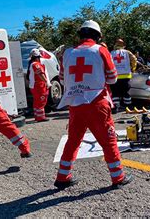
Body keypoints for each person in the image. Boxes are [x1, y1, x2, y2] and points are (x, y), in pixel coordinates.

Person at [54, 20, 133, 189]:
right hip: (97, 102)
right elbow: (113, 78)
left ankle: (62, 177)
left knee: (73, 141)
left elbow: (62, 79)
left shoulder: (67, 53)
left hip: (75, 104)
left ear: (81, 34)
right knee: (108, 141)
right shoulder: (101, 50)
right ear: (98, 36)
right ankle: (118, 177)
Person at [110, 38, 137, 109]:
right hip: (126, 76)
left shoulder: (111, 53)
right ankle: (128, 106)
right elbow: (134, 59)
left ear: (115, 44)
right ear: (123, 45)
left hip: (115, 76)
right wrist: (133, 68)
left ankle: (116, 107)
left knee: (115, 92)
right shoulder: (127, 52)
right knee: (125, 92)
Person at [27, 49, 51, 122]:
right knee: (41, 101)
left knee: (37, 102)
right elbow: (40, 74)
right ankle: (41, 117)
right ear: (38, 57)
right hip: (39, 86)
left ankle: (37, 116)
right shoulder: (36, 64)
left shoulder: (32, 64)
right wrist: (47, 82)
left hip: (35, 86)